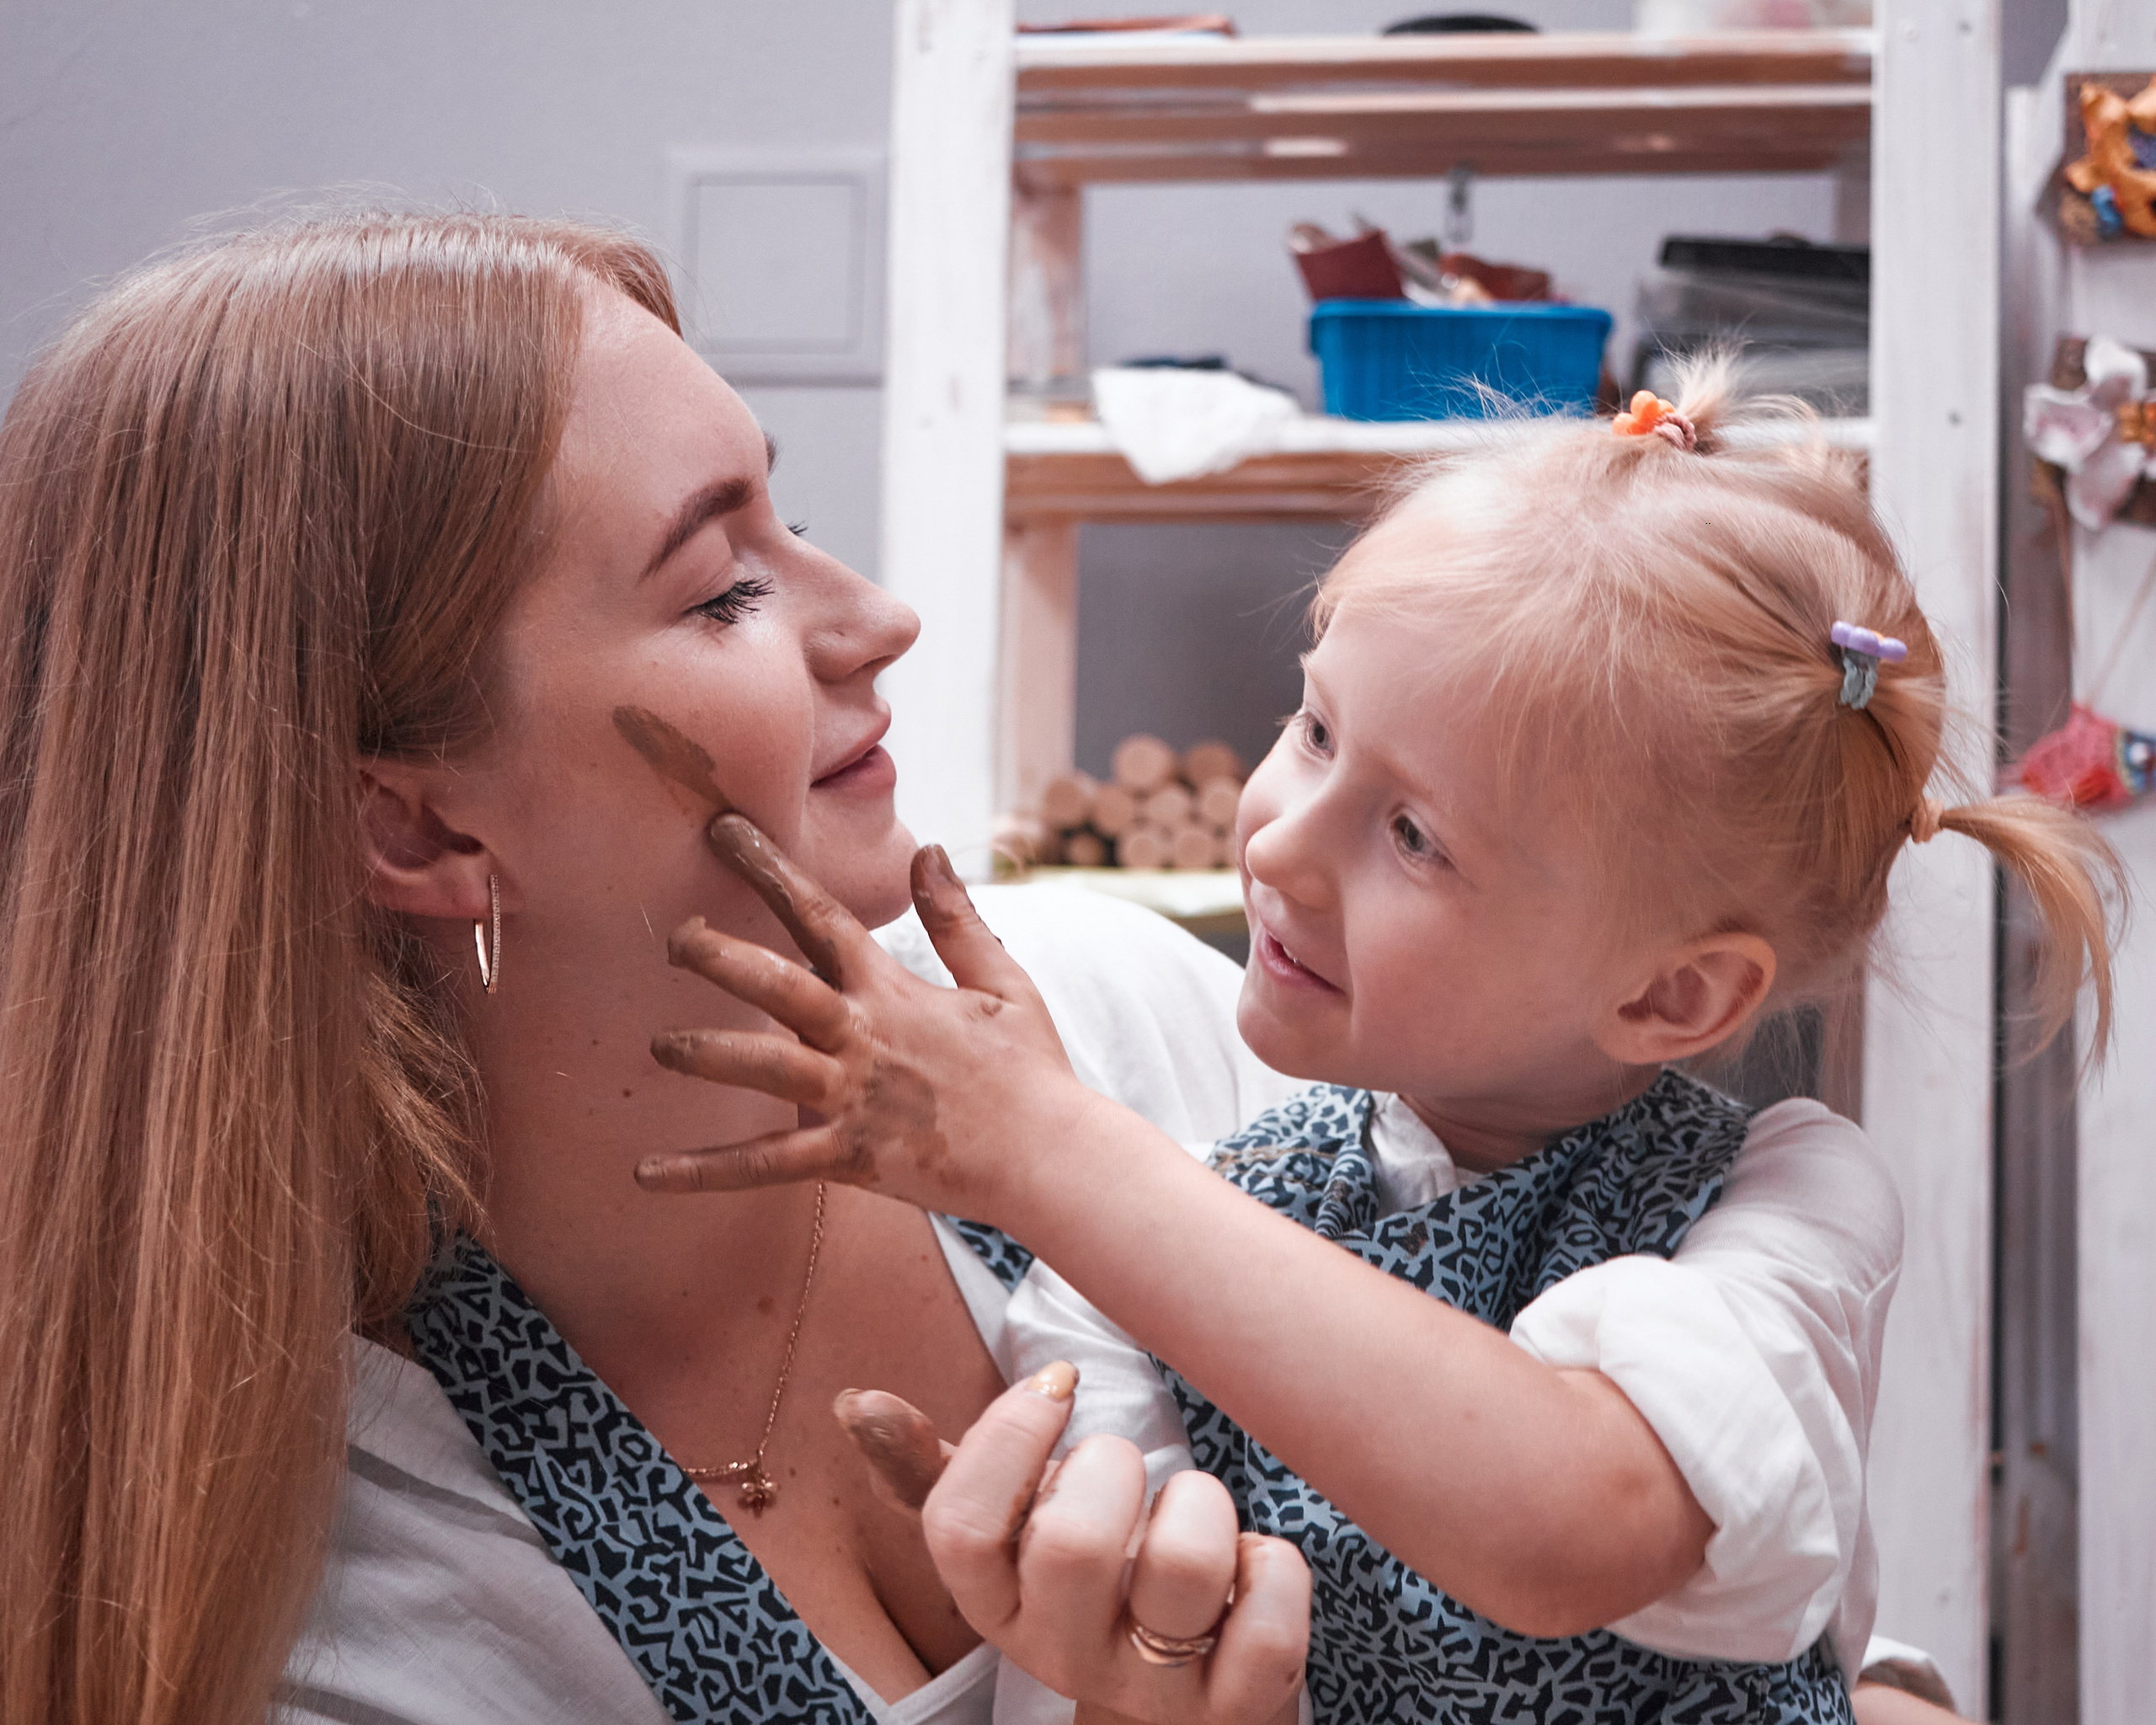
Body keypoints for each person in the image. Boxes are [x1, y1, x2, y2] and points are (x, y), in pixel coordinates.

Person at [633, 377, 2121, 1722]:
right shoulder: (1166, 1234)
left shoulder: (1792, 1201)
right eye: (1316, 728)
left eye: (1415, 836)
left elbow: (1571, 1525)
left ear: (1672, 1001)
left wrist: (1048, 1147)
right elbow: (1157, 1651)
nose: (1280, 842)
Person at [0, 209, 1310, 1725]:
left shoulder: (1125, 1022)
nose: (880, 620)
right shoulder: (353, 1619)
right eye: (721, 590)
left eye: (789, 518)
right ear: (413, 821)